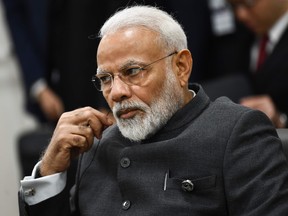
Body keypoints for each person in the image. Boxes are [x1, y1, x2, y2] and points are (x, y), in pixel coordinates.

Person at [19, 5, 288, 216]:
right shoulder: (98, 143)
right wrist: (50, 171)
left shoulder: (236, 131)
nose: (116, 92)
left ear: (181, 67)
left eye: (132, 71)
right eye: (105, 79)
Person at [205, 0, 288, 128]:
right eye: (233, 6)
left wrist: (281, 120)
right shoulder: (239, 38)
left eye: (249, 3)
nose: (240, 15)